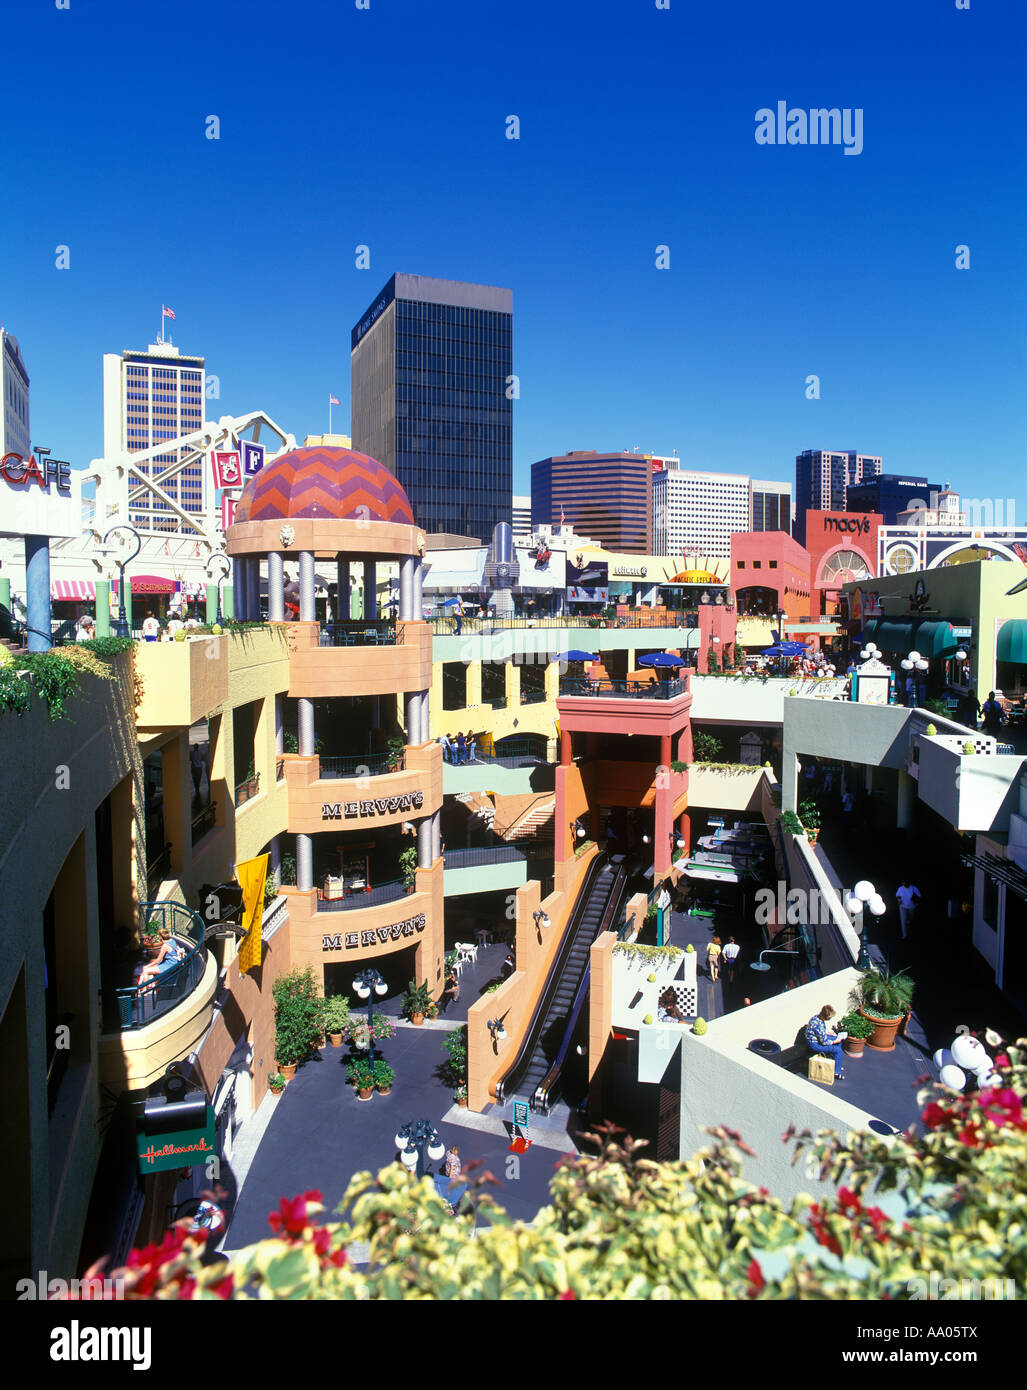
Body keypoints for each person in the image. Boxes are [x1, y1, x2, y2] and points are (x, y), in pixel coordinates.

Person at [137, 925, 188, 991]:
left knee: (145, 970)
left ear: (161, 936)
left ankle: (144, 991)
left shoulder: (165, 946)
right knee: (153, 967)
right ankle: (156, 988)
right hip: (174, 962)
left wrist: (147, 966)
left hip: (170, 965)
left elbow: (158, 960)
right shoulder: (172, 940)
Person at [806, 1004, 846, 1080]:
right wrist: (834, 1042)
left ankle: (836, 1063)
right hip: (815, 1044)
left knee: (836, 1039)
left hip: (818, 1040)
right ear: (827, 1017)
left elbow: (820, 1033)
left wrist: (828, 1034)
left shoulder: (816, 1018)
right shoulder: (819, 1024)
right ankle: (836, 1073)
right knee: (838, 1050)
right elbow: (823, 1042)